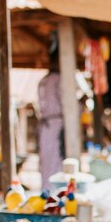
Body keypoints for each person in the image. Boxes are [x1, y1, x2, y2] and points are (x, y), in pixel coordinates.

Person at [37, 47, 65, 190]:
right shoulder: (59, 80)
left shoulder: (43, 81)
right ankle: (53, 194)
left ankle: (47, 192)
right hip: (56, 126)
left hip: (46, 127)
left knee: (47, 162)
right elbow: (66, 105)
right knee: (56, 162)